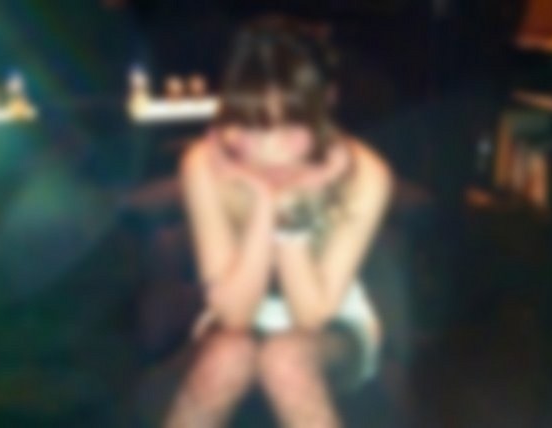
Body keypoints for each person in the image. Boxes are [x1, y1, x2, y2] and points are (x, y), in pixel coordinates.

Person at [166, 14, 396, 428]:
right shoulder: (204, 164)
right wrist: (263, 202)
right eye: (251, 125)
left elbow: (311, 315)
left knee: (286, 359)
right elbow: (234, 316)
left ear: (325, 103)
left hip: (332, 315)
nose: (270, 150)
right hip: (240, 312)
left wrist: (291, 212)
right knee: (225, 357)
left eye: (291, 126)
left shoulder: (366, 173)